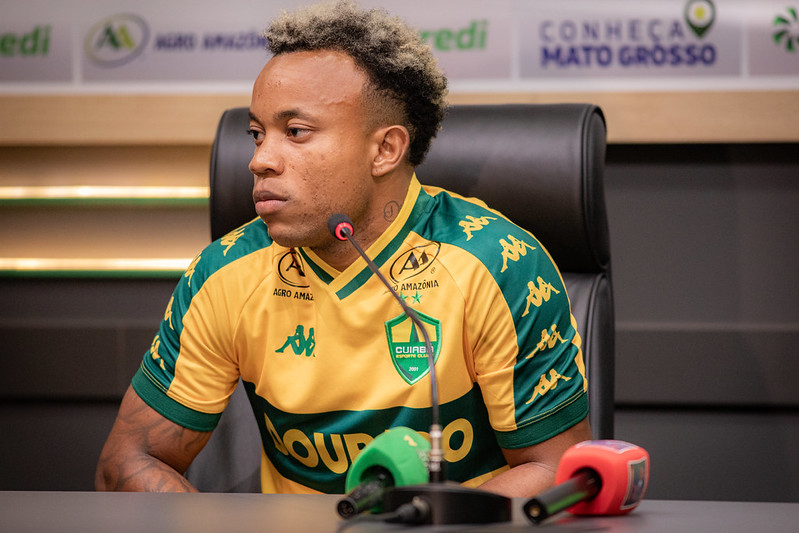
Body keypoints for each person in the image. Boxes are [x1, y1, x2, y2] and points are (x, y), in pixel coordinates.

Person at [95, 0, 591, 497]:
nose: (260, 160)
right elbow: (130, 460)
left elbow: (555, 471)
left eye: (296, 132)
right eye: (256, 134)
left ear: (385, 150)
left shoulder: (500, 263)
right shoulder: (224, 273)